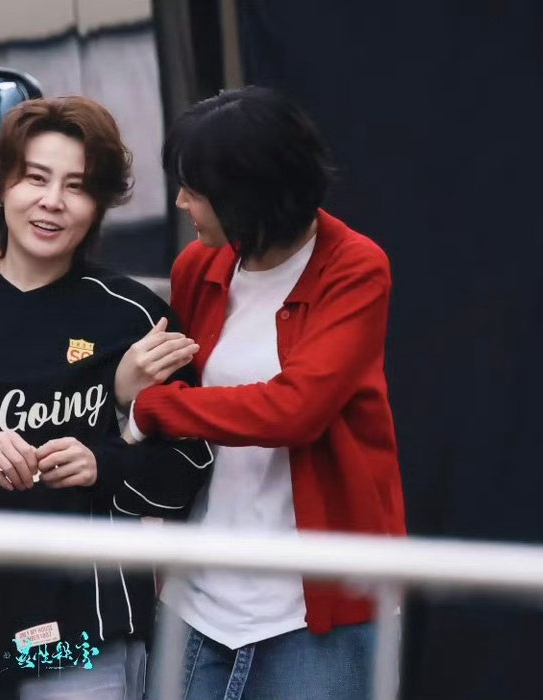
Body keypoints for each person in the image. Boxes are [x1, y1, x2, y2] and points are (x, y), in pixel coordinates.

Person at [0, 96, 213, 699]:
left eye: (77, 186)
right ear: (0, 185)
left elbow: (190, 463)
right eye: (35, 178)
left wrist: (104, 462)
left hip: (86, 631)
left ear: (99, 206)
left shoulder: (134, 317)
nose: (52, 201)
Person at [117, 86, 406, 700]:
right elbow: (178, 384)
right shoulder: (198, 267)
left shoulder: (355, 267)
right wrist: (133, 390)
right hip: (200, 595)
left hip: (316, 607)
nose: (181, 202)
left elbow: (296, 409)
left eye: (194, 190)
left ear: (246, 194)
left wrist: (156, 409)